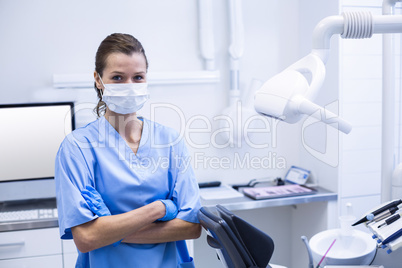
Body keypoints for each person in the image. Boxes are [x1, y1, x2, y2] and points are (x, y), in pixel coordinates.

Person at [55, 33, 202, 268]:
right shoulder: (77, 148)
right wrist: (160, 208)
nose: (129, 86)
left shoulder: (170, 141)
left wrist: (107, 227)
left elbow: (192, 226)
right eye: (118, 78)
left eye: (138, 77)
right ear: (98, 79)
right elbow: (85, 239)